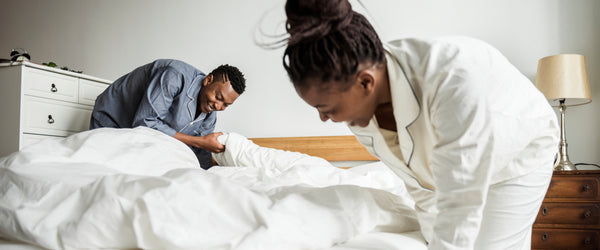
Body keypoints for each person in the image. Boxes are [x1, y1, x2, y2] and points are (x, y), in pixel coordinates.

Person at [281, 0, 559, 249]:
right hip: (459, 169)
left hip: (520, 154)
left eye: (326, 109)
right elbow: (420, 182)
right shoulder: (360, 114)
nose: (325, 119)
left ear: (365, 82)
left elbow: (461, 196)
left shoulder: (451, 78)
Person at [90, 59, 246, 169]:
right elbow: (145, 123)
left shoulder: (210, 113)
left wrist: (206, 175)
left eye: (226, 104)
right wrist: (198, 141)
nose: (219, 106)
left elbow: (201, 152)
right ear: (208, 80)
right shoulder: (174, 76)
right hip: (113, 118)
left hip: (138, 135)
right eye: (218, 97)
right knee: (101, 169)